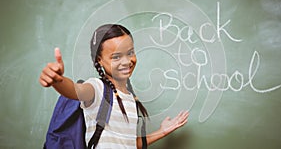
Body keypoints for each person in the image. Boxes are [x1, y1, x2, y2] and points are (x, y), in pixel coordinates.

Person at [39, 24, 189, 149]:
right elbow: (75, 91)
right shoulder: (96, 88)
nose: (126, 61)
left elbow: (128, 143)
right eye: (116, 57)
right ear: (100, 60)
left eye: (130, 52)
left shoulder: (130, 97)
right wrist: (57, 81)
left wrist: (162, 132)